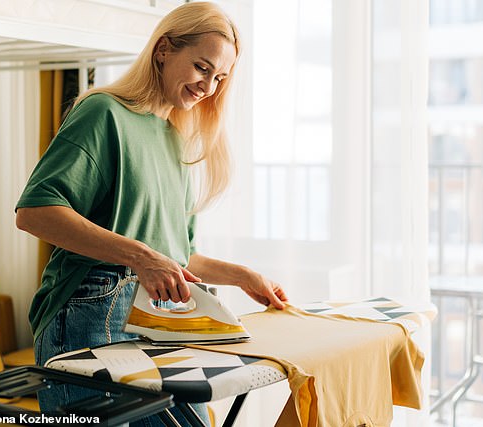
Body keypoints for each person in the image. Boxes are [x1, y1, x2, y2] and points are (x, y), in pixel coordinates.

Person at [15, 2, 288, 425]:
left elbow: (176, 257)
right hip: (89, 312)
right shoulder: (104, 112)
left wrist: (241, 275)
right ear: (163, 49)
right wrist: (142, 257)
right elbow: (35, 212)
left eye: (220, 78)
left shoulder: (175, 139)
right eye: (202, 67)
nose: (209, 86)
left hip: (153, 318)